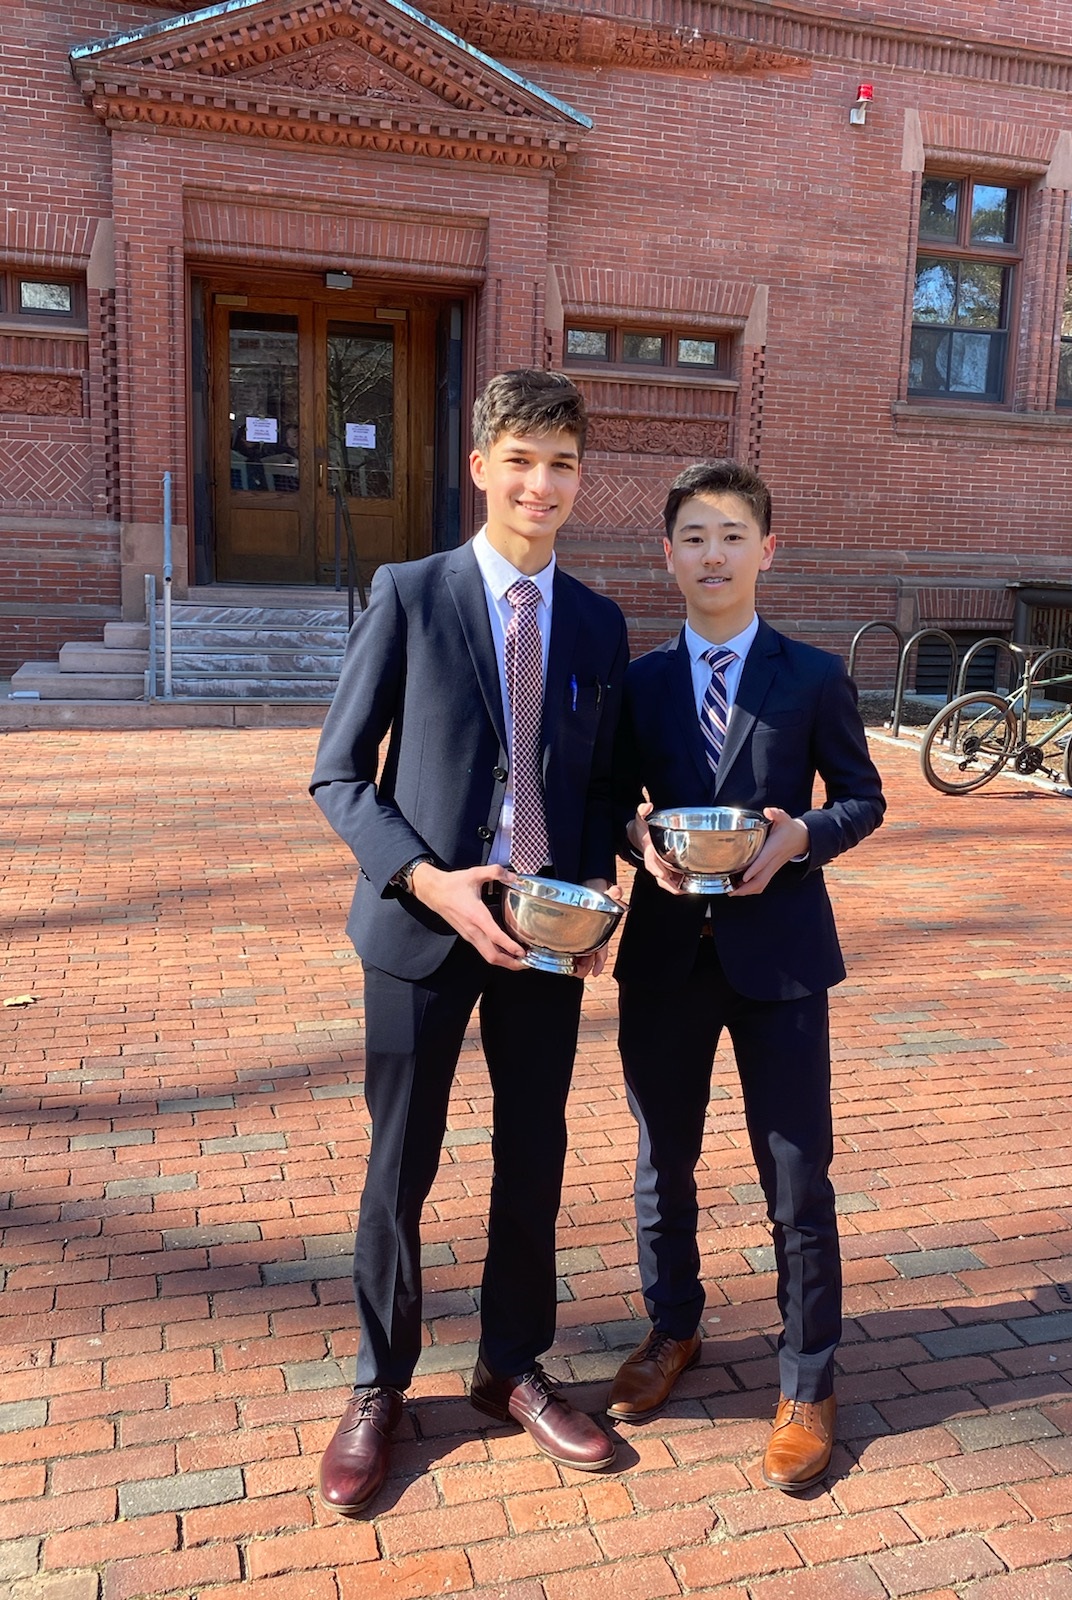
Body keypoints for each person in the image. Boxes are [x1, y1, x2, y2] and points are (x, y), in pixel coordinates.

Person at [310, 369, 629, 1514]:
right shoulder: (412, 593)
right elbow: (339, 774)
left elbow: (598, 785)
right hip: (422, 925)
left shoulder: (596, 620)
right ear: (483, 465)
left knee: (533, 1154)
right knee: (401, 1162)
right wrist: (429, 881)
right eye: (523, 461)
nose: (543, 484)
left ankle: (511, 1365)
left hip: (544, 937)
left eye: (563, 465)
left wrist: (600, 897)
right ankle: (379, 1382)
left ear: (580, 479)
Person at [606, 459, 884, 1492]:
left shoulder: (810, 675)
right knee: (661, 1163)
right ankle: (671, 1327)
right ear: (667, 555)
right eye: (694, 537)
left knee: (797, 1174)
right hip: (667, 956)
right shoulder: (639, 682)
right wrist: (637, 837)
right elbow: (609, 801)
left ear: (768, 550)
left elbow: (862, 796)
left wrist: (802, 835)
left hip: (782, 957)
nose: (712, 555)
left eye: (732, 536)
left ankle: (808, 1378)